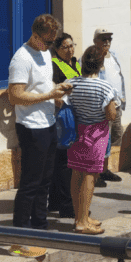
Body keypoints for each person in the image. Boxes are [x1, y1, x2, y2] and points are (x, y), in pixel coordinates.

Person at [5, 14, 73, 258]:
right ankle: (19, 238)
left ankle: (41, 230)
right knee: (30, 185)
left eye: (53, 42)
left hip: (48, 122)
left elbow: (42, 87)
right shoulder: (21, 59)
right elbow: (15, 96)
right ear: (35, 36)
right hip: (31, 127)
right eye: (47, 41)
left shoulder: (45, 52)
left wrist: (57, 94)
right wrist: (48, 96)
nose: (50, 46)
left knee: (45, 181)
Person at [67, 46, 119, 234]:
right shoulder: (105, 87)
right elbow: (111, 115)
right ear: (100, 64)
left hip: (76, 133)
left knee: (76, 173)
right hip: (96, 135)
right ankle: (82, 222)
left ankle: (79, 216)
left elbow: (64, 103)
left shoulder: (71, 83)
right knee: (89, 175)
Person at [48, 33, 81, 218]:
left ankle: (54, 200)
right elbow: (55, 90)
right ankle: (66, 204)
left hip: (73, 115)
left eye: (72, 45)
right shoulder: (54, 66)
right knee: (64, 162)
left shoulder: (75, 63)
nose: (70, 50)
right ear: (57, 49)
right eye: (65, 47)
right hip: (62, 117)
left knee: (61, 161)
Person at [92, 29, 125, 184]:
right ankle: (97, 173)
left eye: (109, 39)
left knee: (115, 137)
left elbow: (119, 77)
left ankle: (104, 170)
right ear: (95, 41)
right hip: (103, 108)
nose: (106, 42)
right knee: (101, 141)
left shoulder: (114, 56)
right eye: (103, 39)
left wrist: (122, 98)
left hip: (116, 105)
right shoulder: (91, 58)